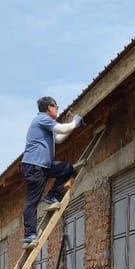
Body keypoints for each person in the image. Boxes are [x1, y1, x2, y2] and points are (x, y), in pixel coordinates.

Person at [20, 95, 83, 247]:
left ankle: (52, 195)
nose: (57, 110)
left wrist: (72, 124)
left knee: (67, 168)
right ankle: (29, 235)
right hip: (34, 166)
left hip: (44, 165)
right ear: (49, 108)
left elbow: (59, 138)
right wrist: (74, 122)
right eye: (56, 107)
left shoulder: (47, 125)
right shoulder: (41, 119)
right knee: (32, 200)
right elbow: (61, 128)